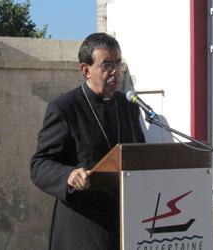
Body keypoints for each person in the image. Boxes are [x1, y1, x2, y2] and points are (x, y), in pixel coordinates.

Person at [30, 32, 145, 250]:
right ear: (86, 70)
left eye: (118, 64)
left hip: (125, 222)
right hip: (82, 225)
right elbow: (40, 165)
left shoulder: (128, 106)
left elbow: (139, 154)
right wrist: (69, 175)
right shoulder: (64, 108)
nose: (115, 72)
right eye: (107, 65)